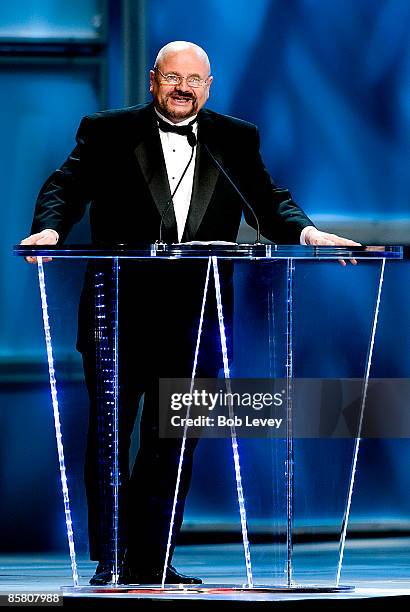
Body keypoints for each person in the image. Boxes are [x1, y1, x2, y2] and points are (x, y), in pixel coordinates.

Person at [21, 41, 359, 585]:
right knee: (109, 438)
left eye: (194, 79)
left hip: (199, 318)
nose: (183, 88)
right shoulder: (109, 130)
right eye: (173, 77)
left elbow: (268, 203)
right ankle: (112, 560)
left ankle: (152, 562)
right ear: (154, 79)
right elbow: (67, 185)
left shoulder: (234, 138)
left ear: (209, 85)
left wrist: (308, 233)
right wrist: (52, 228)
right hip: (118, 313)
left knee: (172, 446)